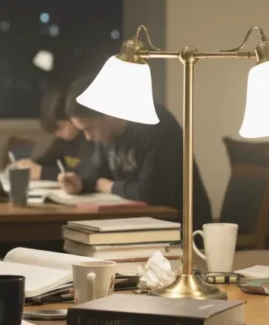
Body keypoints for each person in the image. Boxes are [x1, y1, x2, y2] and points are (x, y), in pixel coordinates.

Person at [58, 73, 213, 229]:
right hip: (141, 225)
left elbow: (152, 192)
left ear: (108, 111)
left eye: (89, 128)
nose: (88, 137)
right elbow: (97, 176)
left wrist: (107, 186)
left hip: (182, 229)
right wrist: (81, 183)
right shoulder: (107, 135)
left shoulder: (153, 121)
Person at [14, 84, 96, 181]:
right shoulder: (63, 142)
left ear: (73, 118)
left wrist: (42, 173)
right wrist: (28, 165)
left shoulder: (91, 138)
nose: (57, 134)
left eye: (60, 127)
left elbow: (85, 174)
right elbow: (46, 161)